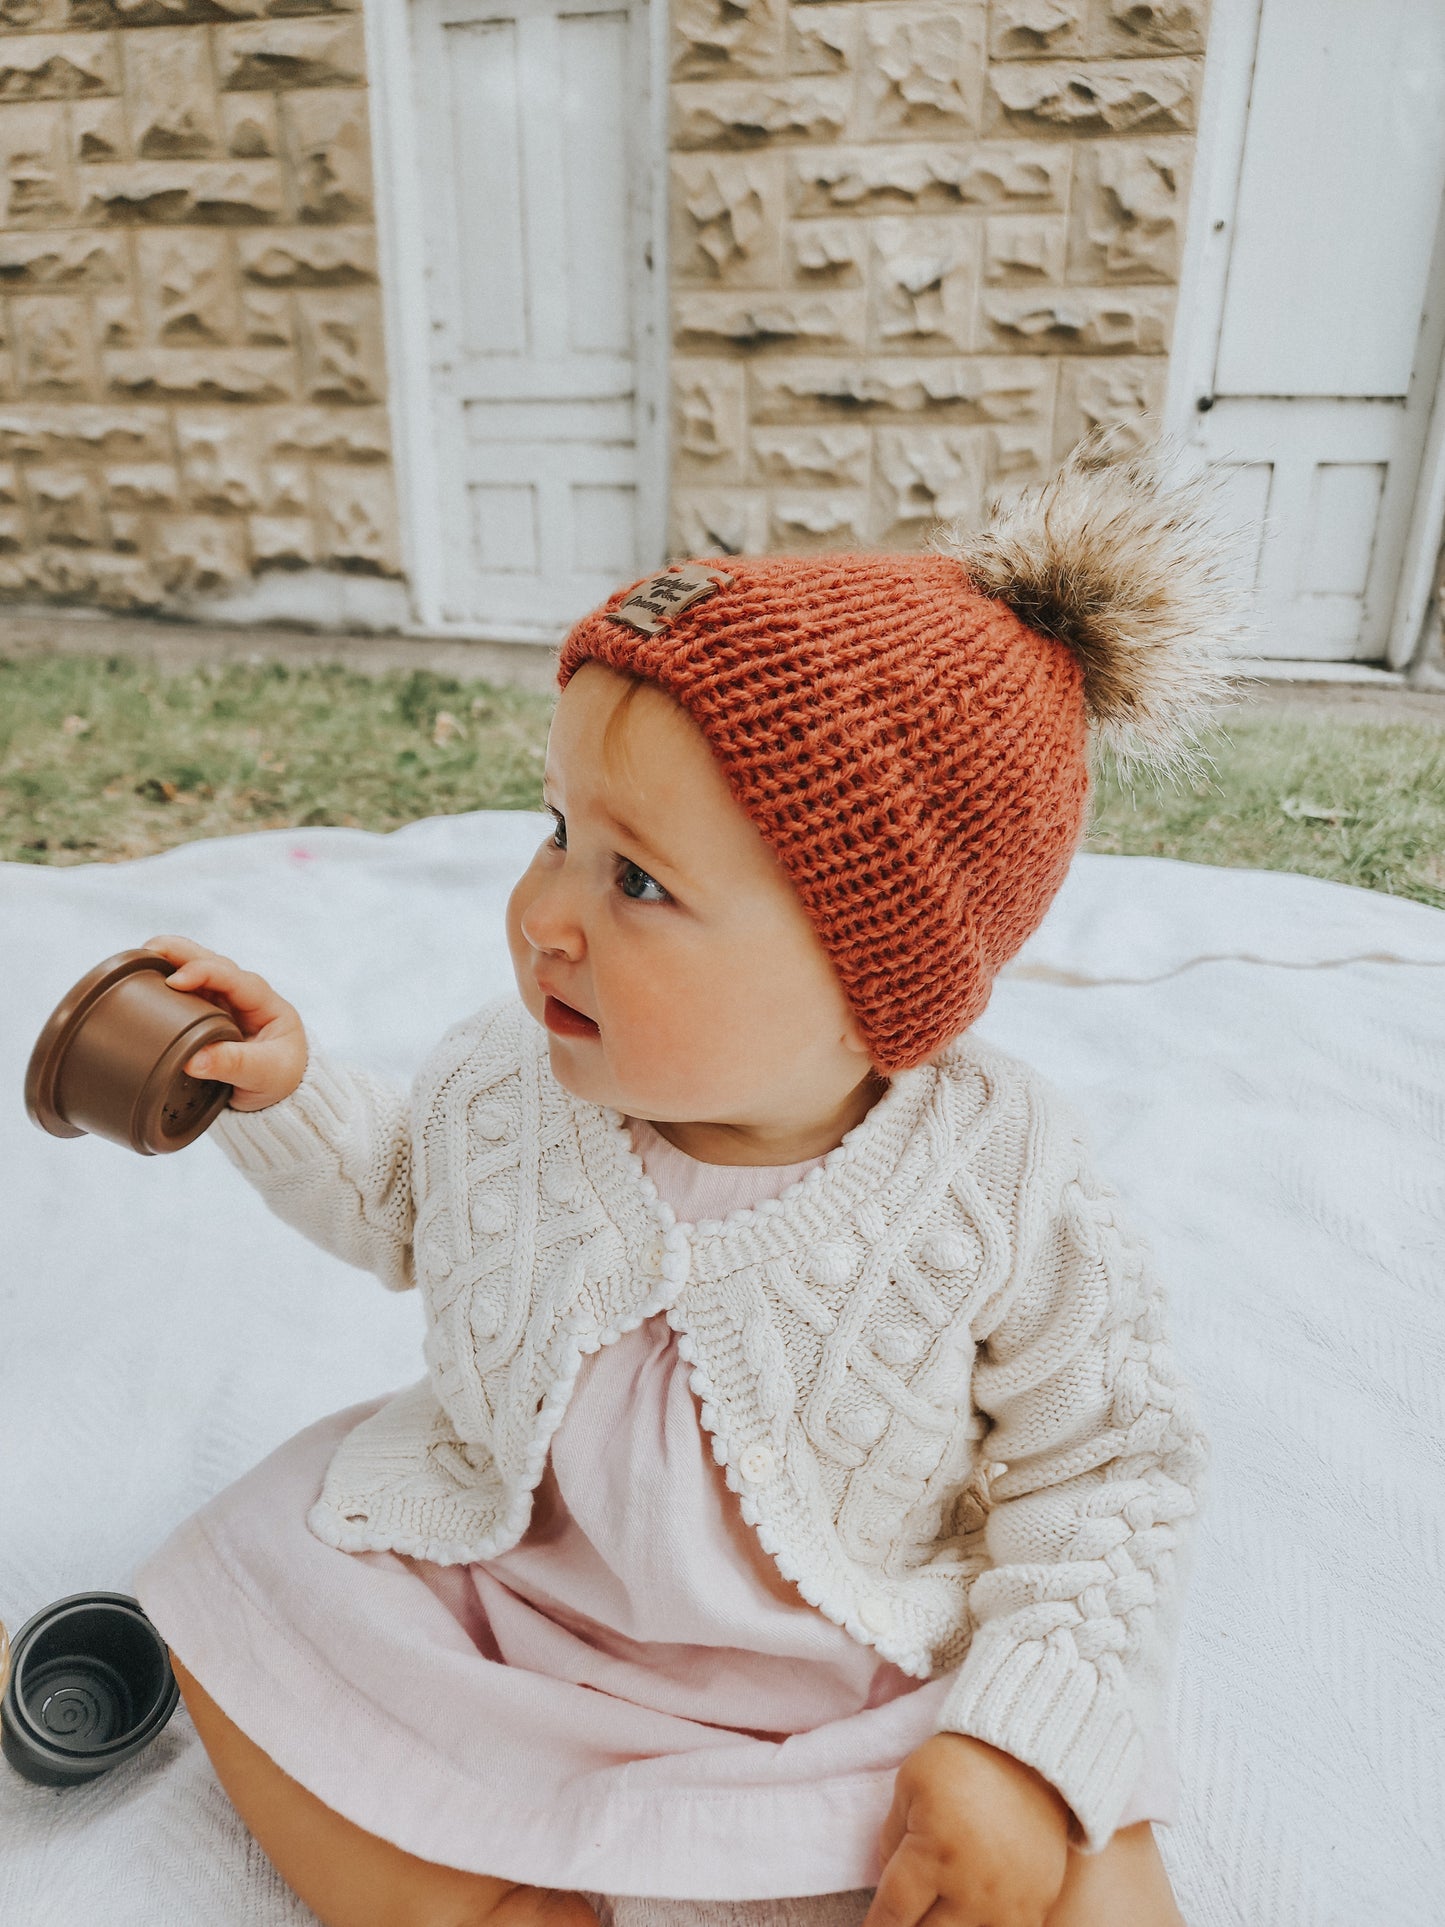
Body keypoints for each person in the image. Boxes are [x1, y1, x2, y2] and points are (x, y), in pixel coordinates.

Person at [134, 430, 1236, 1927]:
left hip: (847, 1658)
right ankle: (502, 1908)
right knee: (235, 1602)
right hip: (527, 1597)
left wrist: (1015, 1749)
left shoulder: (995, 1175)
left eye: (638, 881)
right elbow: (402, 1198)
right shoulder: (506, 1082)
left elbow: (1105, 1468)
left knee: (1072, 1832)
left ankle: (992, 1781)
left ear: (873, 987)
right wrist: (285, 1094)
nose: (544, 917)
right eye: (556, 834)